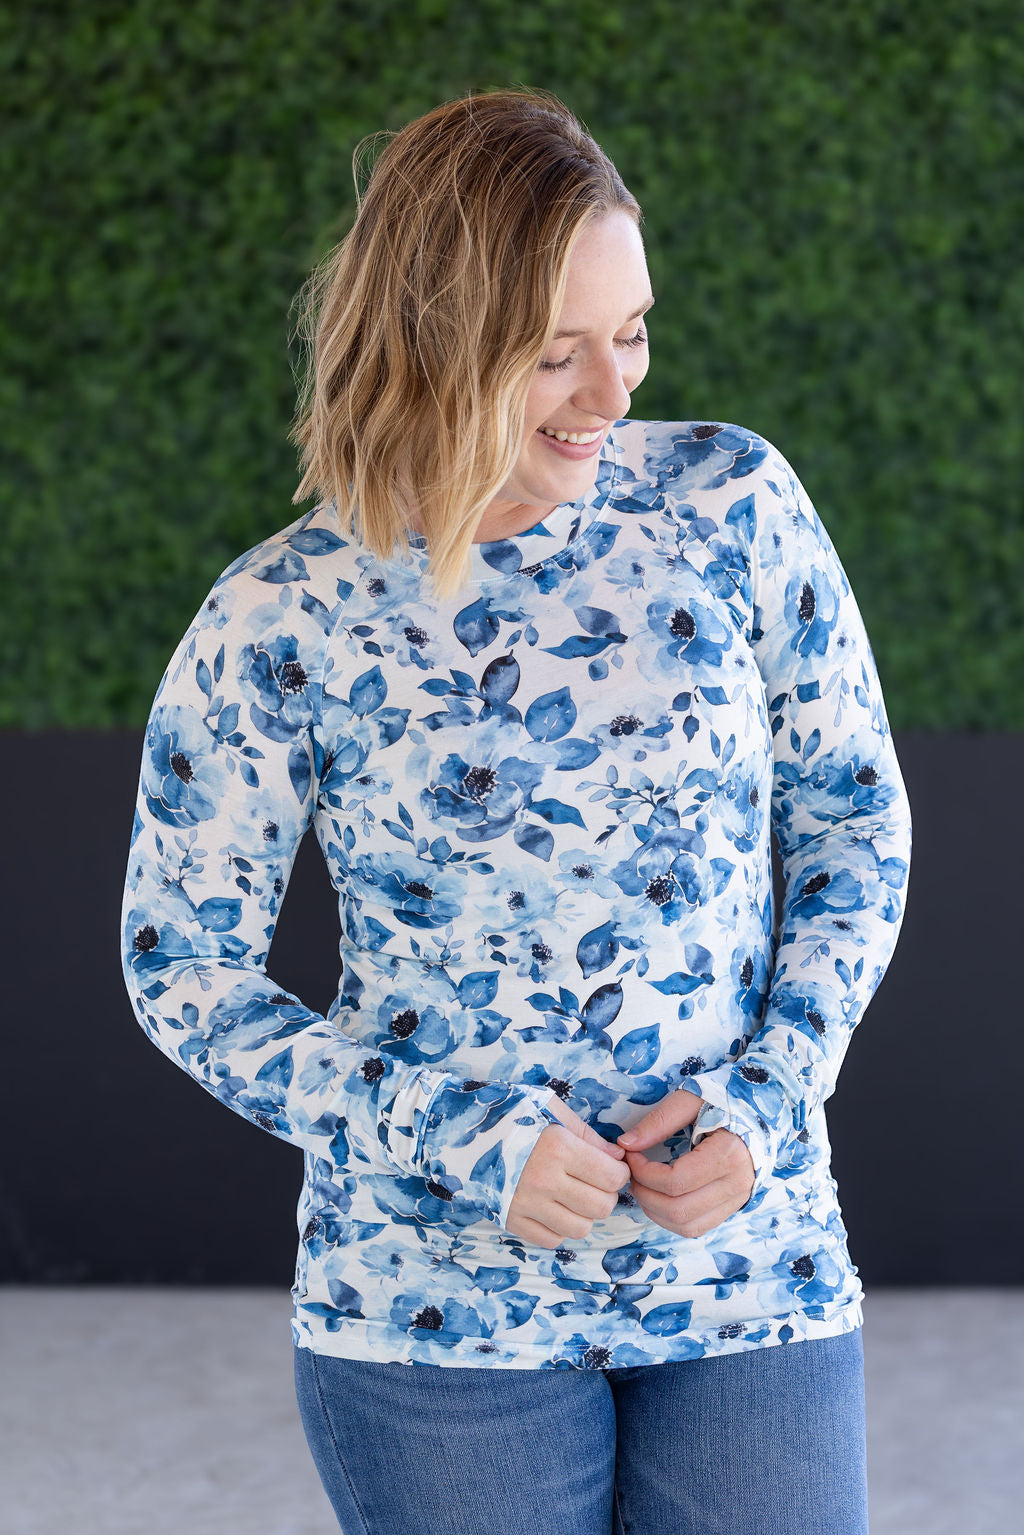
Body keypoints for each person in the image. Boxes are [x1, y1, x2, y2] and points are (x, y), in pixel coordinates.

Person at [120, 86, 912, 1535]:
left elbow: (855, 822)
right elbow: (183, 968)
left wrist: (776, 1089)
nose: (613, 398)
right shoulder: (279, 618)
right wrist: (455, 1136)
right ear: (433, 333)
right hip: (429, 1316)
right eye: (554, 357)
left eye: (634, 335)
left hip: (748, 1275)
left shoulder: (734, 505)